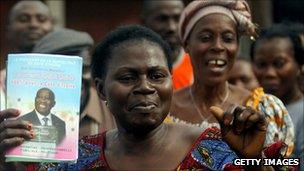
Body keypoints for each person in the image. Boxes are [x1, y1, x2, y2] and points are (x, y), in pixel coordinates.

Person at [0, 25, 276, 171]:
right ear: (101, 89)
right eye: (128, 78)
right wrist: (6, 157)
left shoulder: (220, 148)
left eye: (157, 75)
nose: (145, 87)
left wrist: (257, 163)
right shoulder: (77, 159)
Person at [167, 0, 294, 158]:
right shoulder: (163, 111)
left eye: (228, 39)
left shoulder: (266, 110)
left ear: (237, 46)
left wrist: (253, 160)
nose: (218, 46)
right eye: (206, 38)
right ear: (186, 44)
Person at [32, 28, 116, 137]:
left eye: (84, 69)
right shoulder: (26, 113)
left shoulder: (113, 108)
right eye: (65, 72)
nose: (76, 79)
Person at [251, 23, 304, 169]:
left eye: (279, 63)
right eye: (261, 64)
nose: (269, 73)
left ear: (299, 65)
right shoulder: (248, 110)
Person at [0, 0, 54, 109]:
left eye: (41, 19)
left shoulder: (73, 82)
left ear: (53, 29)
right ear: (8, 30)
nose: (33, 25)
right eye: (23, 19)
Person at [141, 0, 193, 90]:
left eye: (177, 18)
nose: (171, 27)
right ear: (144, 22)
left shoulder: (197, 66)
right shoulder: (132, 66)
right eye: (162, 19)